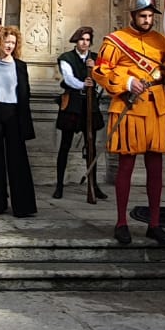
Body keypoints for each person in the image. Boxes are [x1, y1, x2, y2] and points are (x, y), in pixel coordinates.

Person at [93, 0, 165, 246]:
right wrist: (127, 81)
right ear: (133, 15)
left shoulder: (162, 41)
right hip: (129, 106)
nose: (147, 20)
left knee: (156, 169)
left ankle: (153, 223)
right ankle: (121, 222)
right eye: (143, 15)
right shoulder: (115, 40)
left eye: (151, 15)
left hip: (156, 108)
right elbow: (100, 71)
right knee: (126, 168)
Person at [0, 24, 37, 218]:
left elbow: (25, 94)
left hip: (15, 115)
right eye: (7, 41)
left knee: (18, 161)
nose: (10, 45)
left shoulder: (20, 66)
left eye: (13, 42)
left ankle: (23, 206)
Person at [54, 26, 105, 200]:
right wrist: (84, 84)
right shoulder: (66, 58)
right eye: (82, 39)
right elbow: (68, 79)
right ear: (77, 41)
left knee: (91, 144)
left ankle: (94, 185)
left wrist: (96, 70)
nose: (85, 43)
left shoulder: (96, 59)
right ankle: (59, 185)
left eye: (87, 40)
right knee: (65, 146)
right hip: (73, 104)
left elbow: (105, 77)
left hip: (90, 105)